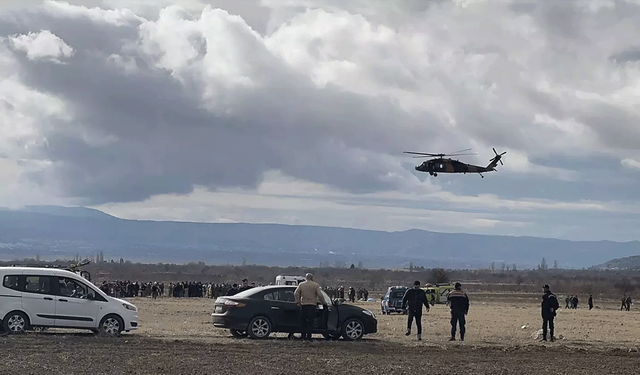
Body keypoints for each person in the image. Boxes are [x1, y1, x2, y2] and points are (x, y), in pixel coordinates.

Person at [294, 273, 327, 341]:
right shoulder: (315, 285)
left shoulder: (301, 284)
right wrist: (324, 303)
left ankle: (303, 336)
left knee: (303, 321)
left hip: (304, 305)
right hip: (312, 305)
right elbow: (320, 295)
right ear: (312, 278)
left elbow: (296, 293)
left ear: (306, 278)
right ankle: (309, 337)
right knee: (310, 322)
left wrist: (298, 301)